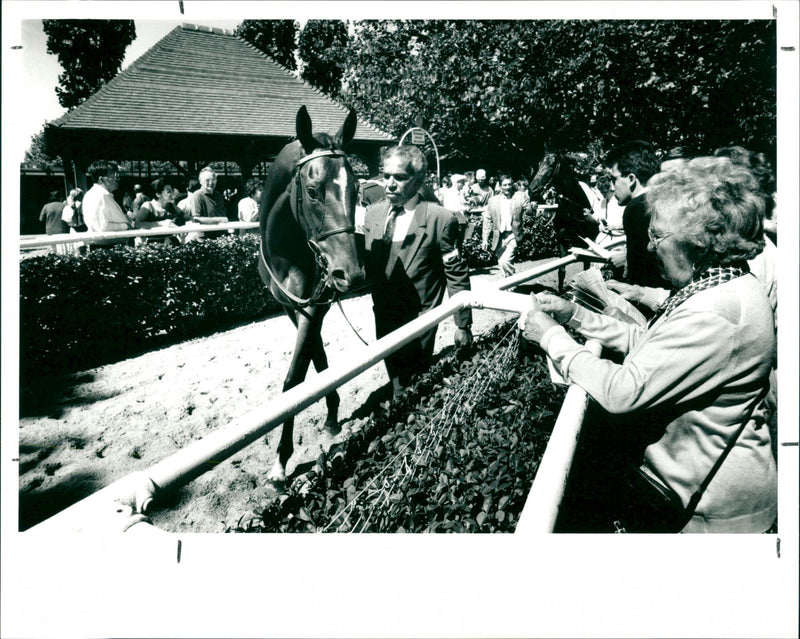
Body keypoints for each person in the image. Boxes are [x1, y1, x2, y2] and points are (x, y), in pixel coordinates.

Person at [520, 156, 777, 533]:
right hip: (703, 493)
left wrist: (551, 337)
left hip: (712, 514)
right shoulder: (725, 284)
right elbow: (655, 345)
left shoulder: (715, 310)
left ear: (700, 241)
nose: (650, 246)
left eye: (657, 236)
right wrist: (574, 315)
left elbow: (622, 391)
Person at [361, 145, 473, 398]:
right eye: (386, 175)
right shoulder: (373, 214)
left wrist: (463, 325)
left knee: (413, 380)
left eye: (399, 177)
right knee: (395, 374)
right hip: (383, 312)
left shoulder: (440, 218)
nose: (389, 184)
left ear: (419, 180)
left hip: (420, 317)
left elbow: (455, 272)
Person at [604, 140, 669, 294]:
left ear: (631, 179)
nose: (612, 187)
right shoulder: (664, 199)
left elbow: (639, 271)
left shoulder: (635, 207)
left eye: (614, 179)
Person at [82, 160, 133, 248]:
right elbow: (102, 227)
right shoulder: (98, 196)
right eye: (113, 176)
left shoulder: (105, 195)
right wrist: (126, 226)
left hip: (112, 246)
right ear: (101, 179)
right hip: (106, 248)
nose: (117, 179)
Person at [481, 174, 524, 276]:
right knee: (502, 264)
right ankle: (509, 285)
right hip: (499, 237)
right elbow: (487, 221)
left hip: (513, 235)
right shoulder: (493, 201)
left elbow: (529, 211)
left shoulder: (519, 197)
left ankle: (511, 285)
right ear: (500, 186)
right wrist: (485, 240)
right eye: (504, 185)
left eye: (509, 184)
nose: (507, 187)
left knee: (506, 262)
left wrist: (532, 207)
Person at [187, 166, 228, 239]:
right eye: (207, 180)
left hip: (222, 236)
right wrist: (219, 220)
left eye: (213, 180)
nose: (211, 183)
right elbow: (196, 219)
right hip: (206, 238)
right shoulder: (197, 195)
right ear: (200, 181)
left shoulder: (218, 195)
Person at [61, 187, 86, 254]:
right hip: (85, 229)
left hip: (74, 230)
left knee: (76, 250)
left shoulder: (67, 208)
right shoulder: (85, 206)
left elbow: (67, 221)